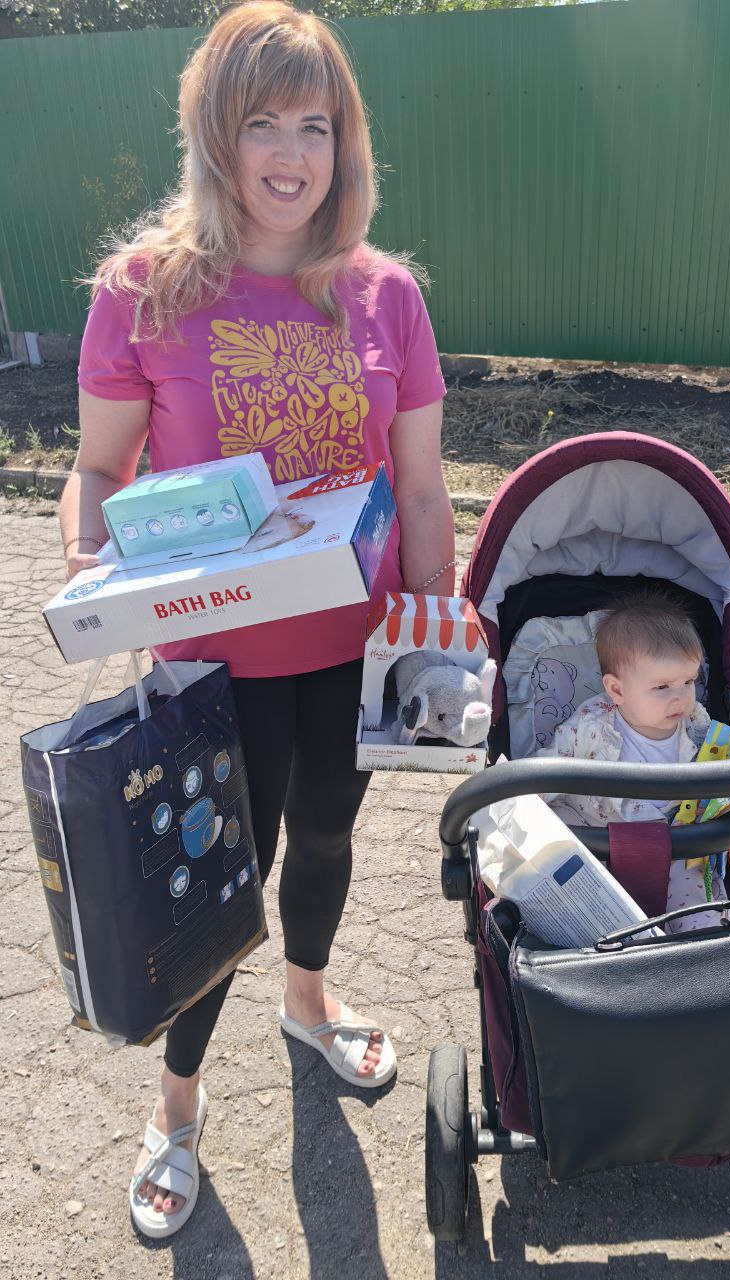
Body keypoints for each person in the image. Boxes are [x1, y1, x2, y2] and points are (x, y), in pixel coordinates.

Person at [59, 1, 454, 1239]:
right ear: (213, 137)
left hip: (353, 650)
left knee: (326, 839)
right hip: (211, 663)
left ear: (347, 142)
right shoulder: (145, 290)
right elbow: (99, 470)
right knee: (213, 885)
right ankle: (176, 1107)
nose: (292, 152)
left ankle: (310, 999)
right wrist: (86, 552)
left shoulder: (386, 295)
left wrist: (436, 626)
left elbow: (427, 480)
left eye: (316, 124)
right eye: (262, 124)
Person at [537, 590, 730, 933]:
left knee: (696, 897)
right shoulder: (592, 725)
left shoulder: (698, 728)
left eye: (688, 681)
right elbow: (550, 767)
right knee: (554, 820)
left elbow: (725, 765)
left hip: (674, 847)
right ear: (617, 691)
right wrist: (519, 801)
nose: (681, 696)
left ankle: (709, 932)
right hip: (596, 839)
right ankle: (587, 930)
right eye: (663, 686)